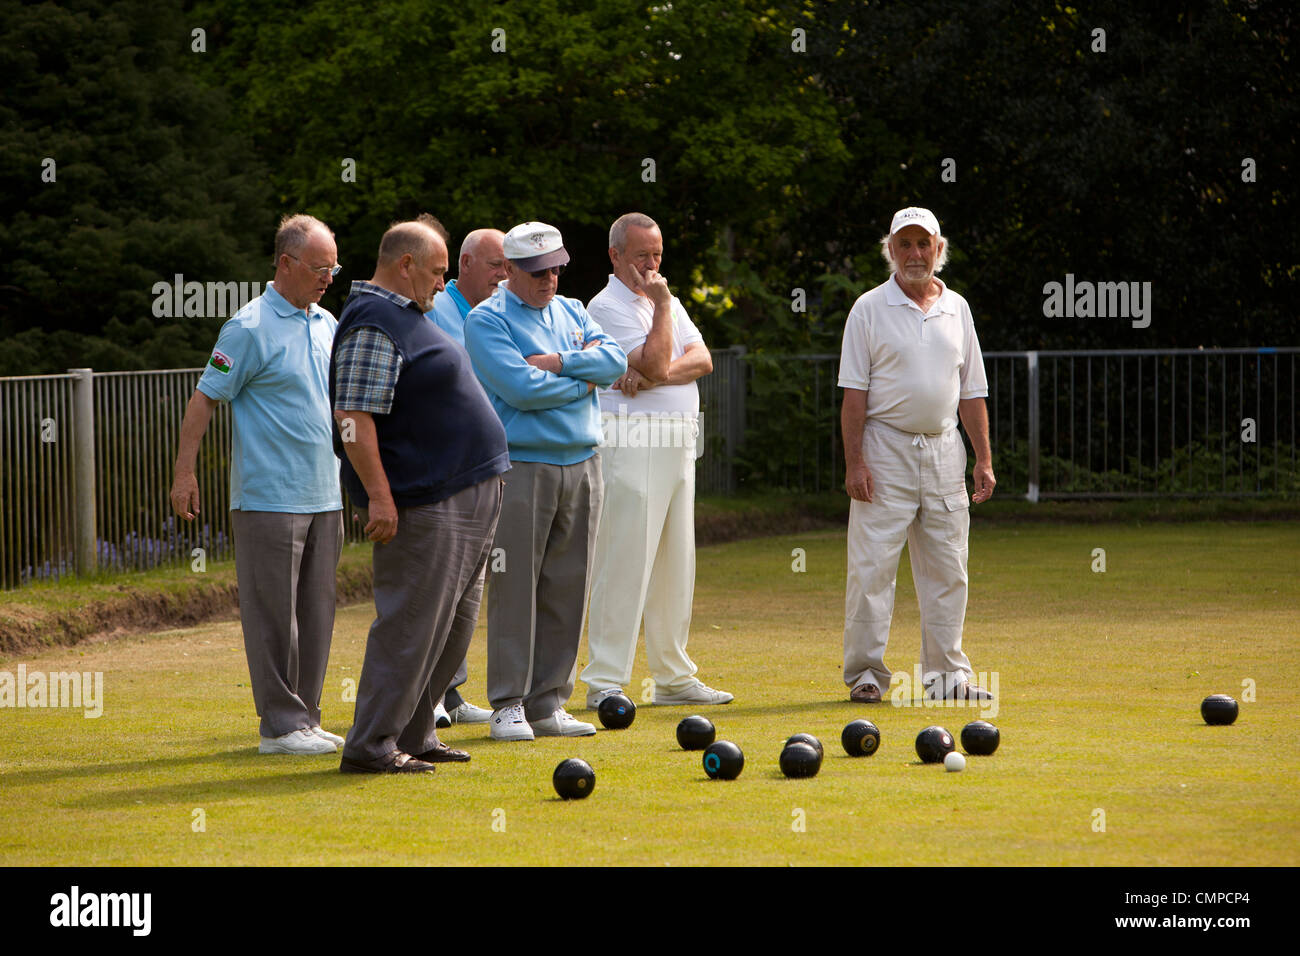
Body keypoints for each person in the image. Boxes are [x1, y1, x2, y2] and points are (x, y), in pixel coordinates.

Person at [331, 214, 510, 773]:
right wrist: (379, 497)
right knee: (411, 625)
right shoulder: (373, 320)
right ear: (404, 265)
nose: (441, 283)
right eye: (435, 272)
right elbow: (353, 417)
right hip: (427, 499)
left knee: (451, 627)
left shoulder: (405, 315)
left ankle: (416, 731)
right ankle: (371, 746)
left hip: (466, 490)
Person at [170, 213, 344, 756]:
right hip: (268, 497)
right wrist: (184, 473)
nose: (328, 278)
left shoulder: (328, 322)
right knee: (273, 615)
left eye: (334, 268)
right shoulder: (245, 328)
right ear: (286, 264)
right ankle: (279, 726)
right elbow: (203, 401)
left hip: (328, 494)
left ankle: (306, 718)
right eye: (319, 267)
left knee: (316, 614)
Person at [464, 221, 627, 741]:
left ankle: (548, 701)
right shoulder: (487, 319)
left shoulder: (574, 310)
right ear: (507, 269)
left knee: (568, 584)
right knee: (515, 587)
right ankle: (508, 703)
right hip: (521, 466)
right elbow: (519, 388)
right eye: (537, 271)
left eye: (555, 268)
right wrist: (585, 382)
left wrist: (559, 364)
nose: (549, 279)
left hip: (583, 461)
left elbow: (617, 361)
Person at [838, 206, 996, 704]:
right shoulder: (867, 308)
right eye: (904, 244)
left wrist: (983, 459)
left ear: (938, 249)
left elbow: (972, 392)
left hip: (945, 450)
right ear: (890, 250)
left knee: (949, 567)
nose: (914, 254)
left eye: (923, 244)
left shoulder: (959, 309)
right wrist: (855, 462)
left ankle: (947, 676)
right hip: (884, 449)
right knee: (871, 569)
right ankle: (866, 675)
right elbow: (853, 396)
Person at [582, 212, 731, 709]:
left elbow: (702, 359)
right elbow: (656, 359)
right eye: (642, 254)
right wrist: (661, 332)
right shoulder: (604, 306)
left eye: (658, 254)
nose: (652, 265)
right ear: (616, 255)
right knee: (625, 556)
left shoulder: (665, 299)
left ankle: (672, 676)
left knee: (675, 561)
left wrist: (654, 374)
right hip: (630, 438)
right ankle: (605, 678)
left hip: (678, 440)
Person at [422, 228, 508, 728]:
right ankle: (426, 696)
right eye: (497, 264)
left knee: (468, 588)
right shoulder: (437, 309)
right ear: (466, 264)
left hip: (480, 463)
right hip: (443, 466)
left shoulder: (495, 313)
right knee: (441, 584)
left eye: (508, 266)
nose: (504, 274)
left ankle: (450, 694)